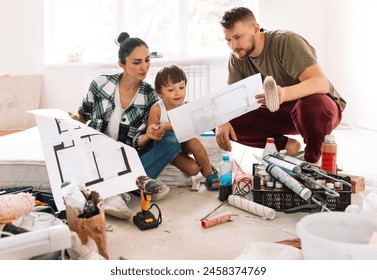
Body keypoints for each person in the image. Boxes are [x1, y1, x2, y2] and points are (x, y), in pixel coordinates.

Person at [69, 32, 181, 220]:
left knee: (173, 140)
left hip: (127, 155)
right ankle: (132, 187)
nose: (144, 67)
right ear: (121, 64)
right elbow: (83, 113)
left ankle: (120, 190)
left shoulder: (150, 95)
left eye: (147, 60)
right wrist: (73, 119)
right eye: (136, 62)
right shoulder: (100, 83)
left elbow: (139, 141)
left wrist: (150, 135)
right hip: (98, 152)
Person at [216, 7, 346, 165]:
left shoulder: (286, 41)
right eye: (228, 40)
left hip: (314, 110)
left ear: (255, 28)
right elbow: (233, 100)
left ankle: (312, 158)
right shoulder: (237, 57)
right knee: (218, 122)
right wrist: (222, 120)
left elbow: (320, 83)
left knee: (313, 104)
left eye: (237, 37)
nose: (233, 45)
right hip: (280, 112)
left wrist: (283, 94)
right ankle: (285, 146)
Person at [149, 64, 220, 191]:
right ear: (159, 93)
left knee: (194, 142)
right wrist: (156, 130)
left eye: (181, 87)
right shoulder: (157, 109)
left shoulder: (187, 106)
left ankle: (209, 174)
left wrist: (166, 126)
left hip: (186, 143)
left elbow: (188, 125)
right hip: (169, 150)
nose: (178, 93)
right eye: (171, 90)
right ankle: (205, 165)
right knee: (193, 169)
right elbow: (151, 133)